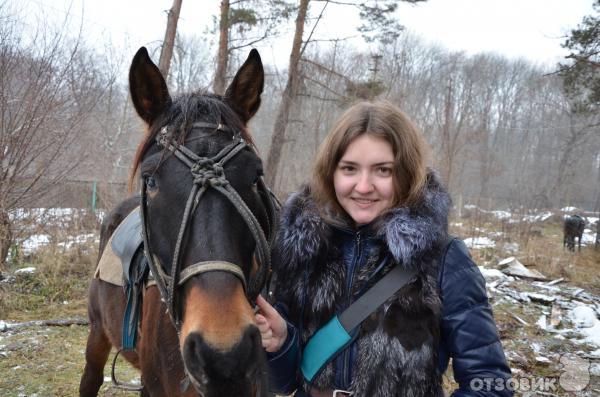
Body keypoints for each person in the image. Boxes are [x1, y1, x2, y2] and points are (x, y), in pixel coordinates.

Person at [255, 101, 513, 397]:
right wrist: (280, 345)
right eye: (349, 169)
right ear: (331, 172)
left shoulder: (444, 258)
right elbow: (285, 384)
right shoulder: (303, 250)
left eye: (382, 170)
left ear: (405, 173)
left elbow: (491, 383)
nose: (363, 187)